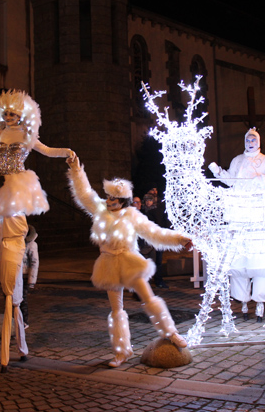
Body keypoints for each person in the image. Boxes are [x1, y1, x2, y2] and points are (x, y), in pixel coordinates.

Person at [0, 89, 73, 371]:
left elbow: (46, 150)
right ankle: (19, 339)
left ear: (21, 116)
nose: (9, 118)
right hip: (0, 198)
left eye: (13, 114)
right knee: (5, 271)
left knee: (12, 271)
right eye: (6, 114)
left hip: (16, 195)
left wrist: (68, 154)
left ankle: (14, 334)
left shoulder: (25, 137)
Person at [66, 155, 193, 368]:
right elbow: (84, 193)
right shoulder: (100, 210)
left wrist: (180, 239)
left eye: (113, 198)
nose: (108, 201)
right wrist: (76, 169)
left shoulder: (132, 215)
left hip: (129, 260)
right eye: (107, 197)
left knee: (148, 298)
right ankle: (122, 351)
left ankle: (171, 332)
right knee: (116, 309)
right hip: (108, 262)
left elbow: (156, 233)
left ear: (123, 200)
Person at [209, 127, 265, 321]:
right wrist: (217, 171)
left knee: (261, 260)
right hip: (240, 213)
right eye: (248, 140)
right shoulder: (237, 161)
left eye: (253, 140)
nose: (250, 143)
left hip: (260, 215)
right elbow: (231, 180)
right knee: (239, 259)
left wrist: (262, 180)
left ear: (258, 142)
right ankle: (242, 302)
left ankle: (260, 303)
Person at [141, 193, 169, 289]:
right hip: (147, 242)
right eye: (147, 200)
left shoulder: (158, 211)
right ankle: (146, 282)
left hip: (157, 239)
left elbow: (162, 223)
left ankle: (158, 280)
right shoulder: (142, 211)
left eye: (150, 200)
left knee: (158, 260)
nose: (148, 202)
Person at [18, 225, 39, 328]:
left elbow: (34, 263)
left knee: (23, 299)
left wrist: (31, 280)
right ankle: (17, 319)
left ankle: (24, 321)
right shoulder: (18, 243)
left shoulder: (32, 245)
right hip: (17, 273)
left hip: (25, 275)